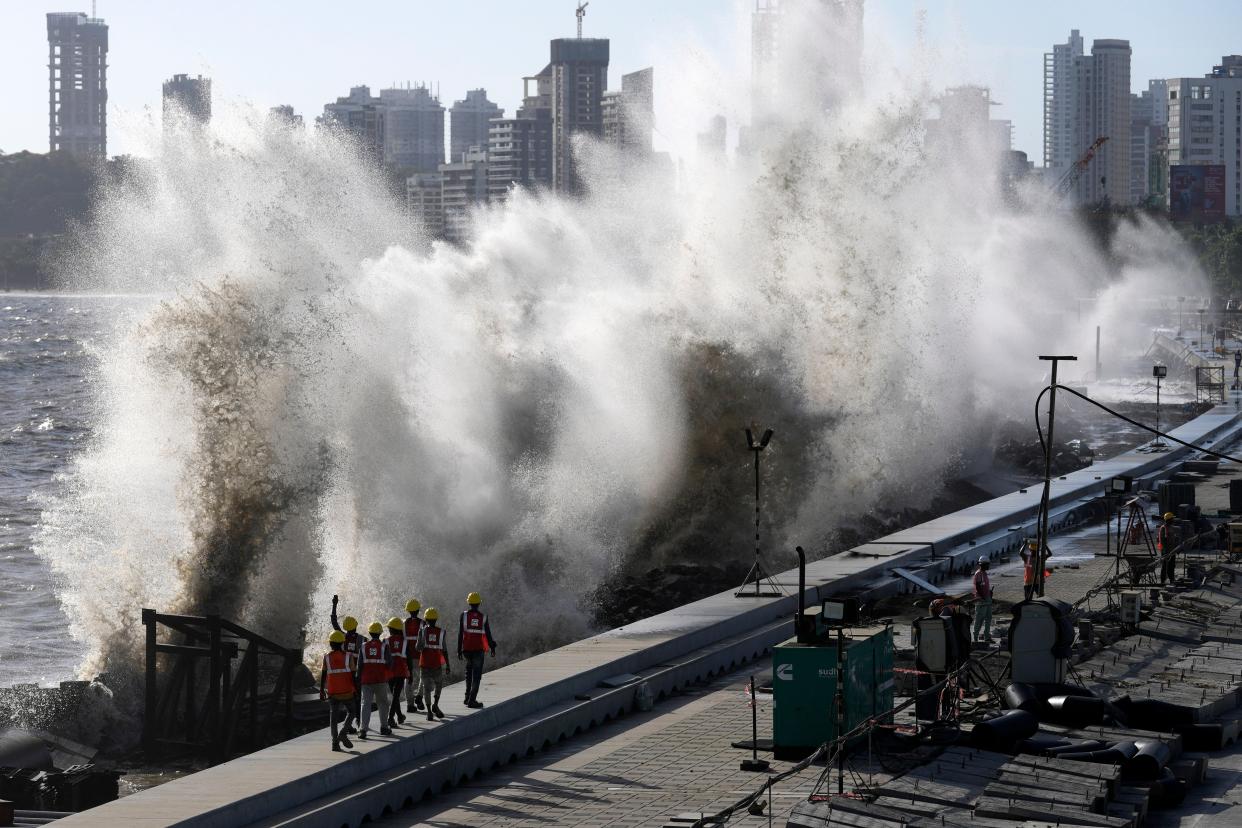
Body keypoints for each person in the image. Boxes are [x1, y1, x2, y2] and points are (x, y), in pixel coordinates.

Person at [330, 596, 365, 735]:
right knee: (356, 699)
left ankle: (351, 723)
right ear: (356, 626)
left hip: (345, 674)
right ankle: (357, 721)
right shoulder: (362, 639)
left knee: (347, 699)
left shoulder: (341, 637)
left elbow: (333, 622)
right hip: (356, 674)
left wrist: (334, 605)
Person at [458, 592, 497, 709]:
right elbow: (488, 635)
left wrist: (458, 650)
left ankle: (466, 698)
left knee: (468, 673)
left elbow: (460, 634)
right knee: (477, 676)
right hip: (478, 651)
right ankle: (472, 700)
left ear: (469, 603)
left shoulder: (463, 616)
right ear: (479, 603)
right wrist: (492, 647)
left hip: (466, 650)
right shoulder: (483, 617)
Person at [319, 630, 355, 752]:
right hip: (347, 691)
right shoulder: (349, 656)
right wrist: (356, 689)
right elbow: (353, 675)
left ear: (330, 643)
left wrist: (321, 691)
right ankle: (343, 732)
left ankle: (335, 743)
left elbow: (323, 675)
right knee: (352, 711)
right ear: (342, 643)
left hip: (333, 692)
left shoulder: (327, 657)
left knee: (333, 718)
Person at [357, 621, 394, 739]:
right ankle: (384, 727)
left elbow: (359, 665)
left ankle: (363, 730)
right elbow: (389, 664)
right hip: (380, 680)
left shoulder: (363, 646)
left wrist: (359, 679)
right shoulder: (385, 647)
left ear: (369, 632)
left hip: (366, 680)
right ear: (380, 633)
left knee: (365, 704)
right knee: (383, 704)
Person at [416, 607, 450, 721]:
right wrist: (448, 665)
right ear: (436, 619)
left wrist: (421, 637)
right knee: (438, 685)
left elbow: (417, 647)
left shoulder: (422, 631)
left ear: (425, 618)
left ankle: (429, 712)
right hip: (437, 665)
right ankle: (436, 704)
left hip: (424, 664)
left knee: (426, 689)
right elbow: (444, 650)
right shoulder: (441, 632)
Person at [385, 616, 409, 728]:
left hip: (389, 671)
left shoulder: (385, 641)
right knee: (396, 695)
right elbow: (408, 659)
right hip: (400, 671)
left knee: (395, 696)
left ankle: (399, 716)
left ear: (391, 629)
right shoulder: (404, 642)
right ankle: (391, 717)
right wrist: (411, 673)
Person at [403, 599, 425, 713]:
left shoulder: (404, 623)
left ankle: (410, 704)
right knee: (423, 677)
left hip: (408, 657)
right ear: (418, 610)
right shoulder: (422, 623)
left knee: (408, 680)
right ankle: (419, 697)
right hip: (420, 656)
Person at [971, 557, 994, 643]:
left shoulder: (984, 573)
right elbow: (977, 587)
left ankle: (987, 637)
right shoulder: (978, 574)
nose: (988, 566)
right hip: (981, 600)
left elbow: (983, 586)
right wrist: (983, 596)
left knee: (988, 618)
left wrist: (989, 592)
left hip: (986, 598)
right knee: (979, 619)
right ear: (982, 564)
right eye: (987, 564)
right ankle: (975, 638)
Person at [1157, 511, 1177, 584]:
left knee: (1171, 566)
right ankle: (1162, 581)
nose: (1173, 520)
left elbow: (1173, 539)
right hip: (1166, 551)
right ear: (1169, 520)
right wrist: (1166, 551)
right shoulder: (1163, 528)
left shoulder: (1171, 527)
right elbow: (1162, 541)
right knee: (1165, 566)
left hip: (1172, 550)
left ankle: (1172, 580)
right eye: (1172, 519)